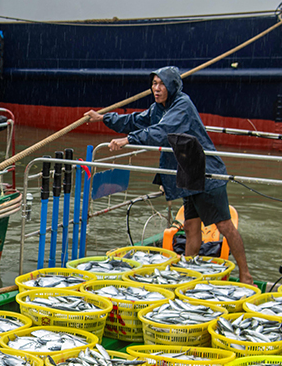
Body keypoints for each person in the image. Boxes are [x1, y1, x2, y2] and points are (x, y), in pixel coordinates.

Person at [86, 66, 254, 285]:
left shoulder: (182, 105)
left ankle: (245, 274)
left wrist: (128, 140)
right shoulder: (159, 107)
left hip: (206, 173)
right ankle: (188, 274)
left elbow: (161, 131)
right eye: (154, 83)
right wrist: (103, 118)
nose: (156, 88)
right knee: (192, 227)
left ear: (172, 86)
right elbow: (137, 120)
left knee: (224, 226)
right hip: (187, 173)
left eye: (161, 84)